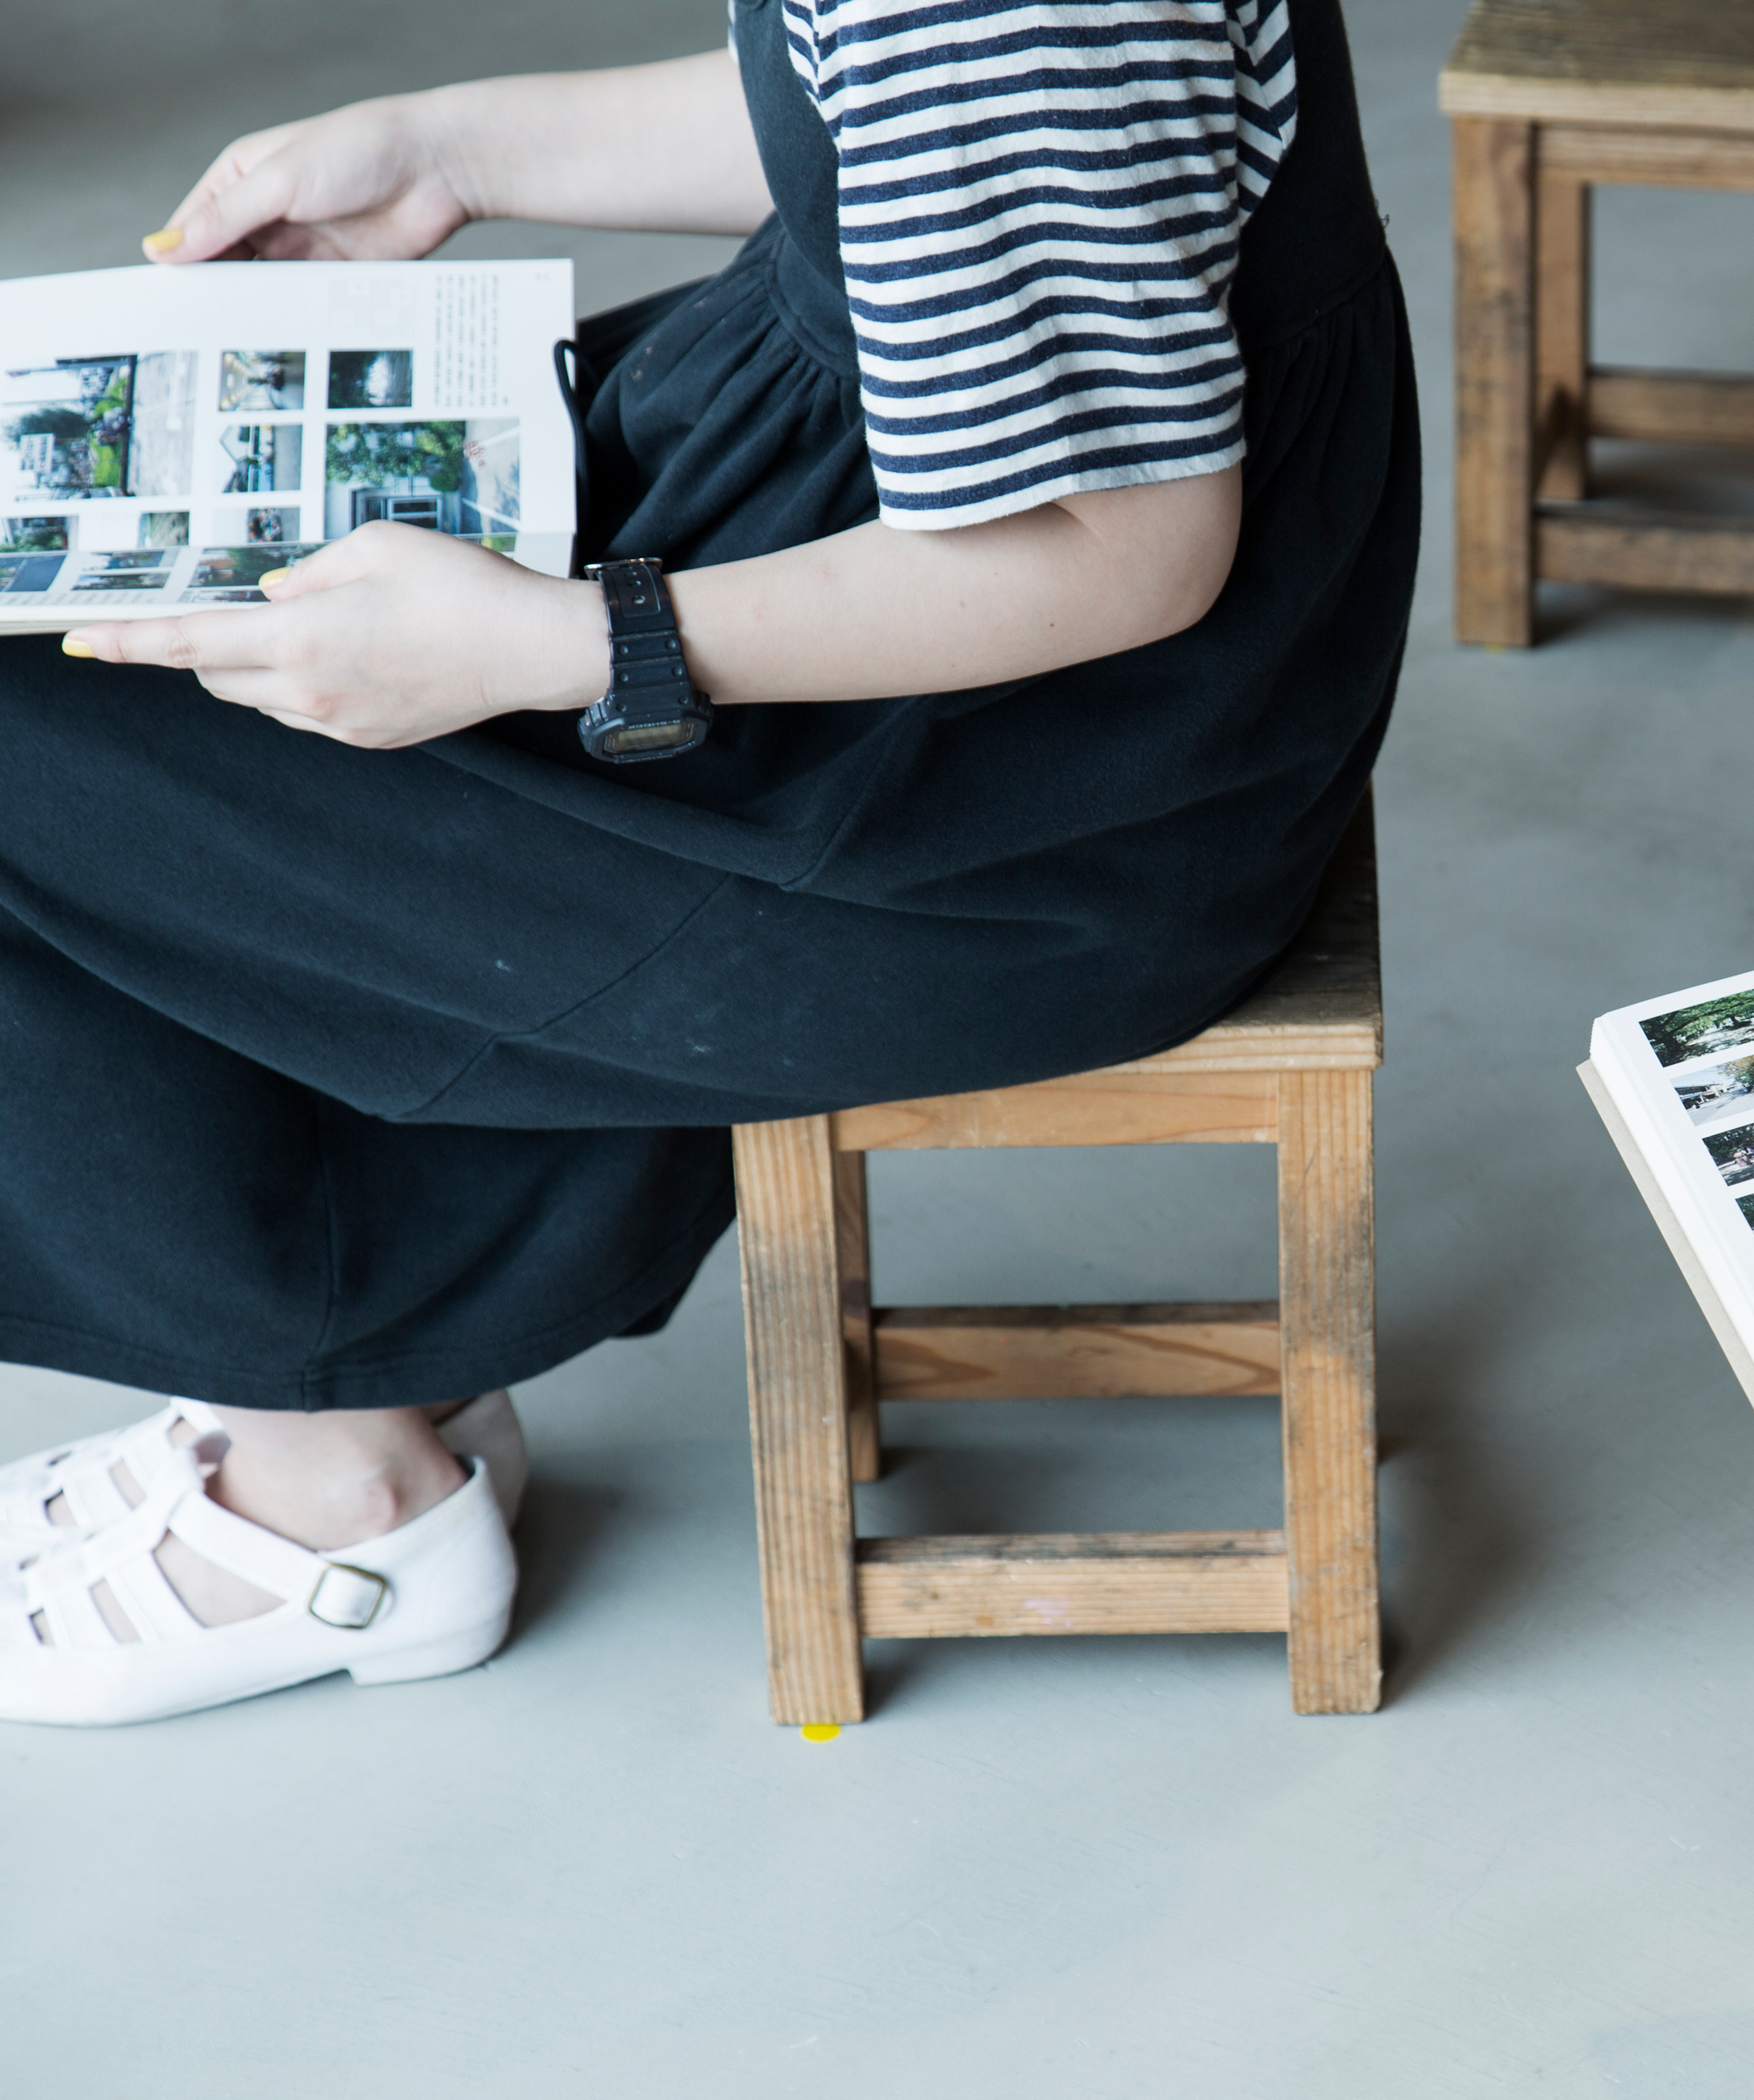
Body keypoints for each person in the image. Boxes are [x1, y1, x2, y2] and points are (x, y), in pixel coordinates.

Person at [0, 0, 1415, 1726]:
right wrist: (450, 148)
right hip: (904, 600)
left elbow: (1110, 549)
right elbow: (871, 128)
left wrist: (563, 648)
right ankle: (386, 1367)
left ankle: (341, 1481)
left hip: (1012, 792)